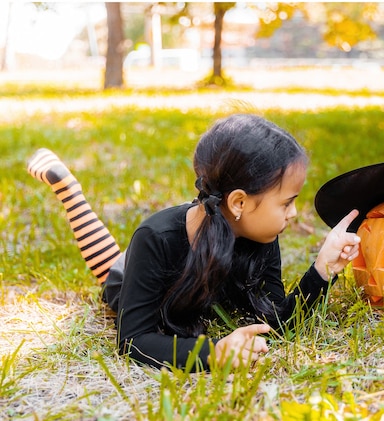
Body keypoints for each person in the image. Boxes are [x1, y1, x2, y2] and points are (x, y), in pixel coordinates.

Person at [27, 114, 361, 371]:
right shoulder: (156, 239)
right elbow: (133, 341)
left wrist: (321, 270)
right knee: (110, 272)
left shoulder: (262, 237)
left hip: (192, 260)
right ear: (239, 203)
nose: (292, 214)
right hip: (136, 272)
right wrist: (213, 353)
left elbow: (278, 322)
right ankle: (70, 191)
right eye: (286, 203)